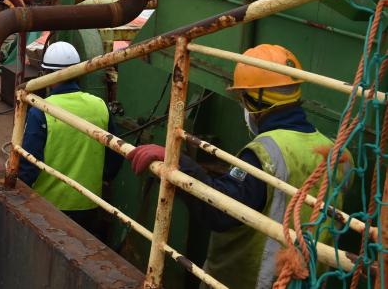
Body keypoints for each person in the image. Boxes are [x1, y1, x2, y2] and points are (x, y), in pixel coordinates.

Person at [127, 44, 350, 289]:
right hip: (310, 280)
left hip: (253, 281)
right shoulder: (338, 153)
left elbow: (221, 212)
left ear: (253, 100)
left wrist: (176, 162)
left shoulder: (266, 152)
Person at [19, 41, 122, 238]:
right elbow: (115, 158)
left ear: (47, 74)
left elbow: (28, 167)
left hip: (48, 206)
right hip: (89, 204)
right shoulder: (99, 106)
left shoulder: (40, 110)